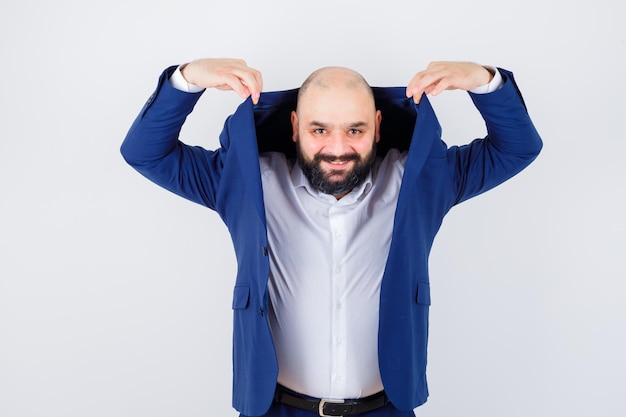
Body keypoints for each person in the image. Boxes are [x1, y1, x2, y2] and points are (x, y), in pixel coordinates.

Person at [121, 58, 542, 417]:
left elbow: (516, 148)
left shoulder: (421, 179)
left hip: (387, 407)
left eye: (354, 130)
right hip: (276, 407)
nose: (337, 148)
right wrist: (187, 79)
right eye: (319, 130)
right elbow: (145, 152)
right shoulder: (247, 182)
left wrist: (485, 81)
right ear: (295, 126)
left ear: (377, 126)